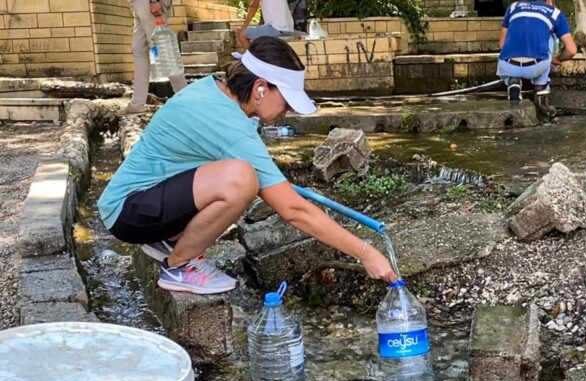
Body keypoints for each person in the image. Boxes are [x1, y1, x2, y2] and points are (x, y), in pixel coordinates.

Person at [98, 37, 398, 294]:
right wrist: (365, 253)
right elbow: (293, 211)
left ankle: (170, 241)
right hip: (130, 212)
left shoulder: (215, 92)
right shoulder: (228, 124)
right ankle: (179, 266)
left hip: (146, 203)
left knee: (245, 176)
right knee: (241, 179)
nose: (289, 110)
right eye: (287, 101)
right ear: (260, 88)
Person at [497, 0, 577, 101]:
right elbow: (572, 50)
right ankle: (541, 85)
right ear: (549, 1)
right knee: (550, 37)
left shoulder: (513, 7)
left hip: (509, 66)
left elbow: (501, 44)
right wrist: (557, 58)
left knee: (505, 52)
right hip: (536, 67)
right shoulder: (555, 13)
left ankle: (512, 81)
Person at [122, 0, 188, 115]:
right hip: (140, 4)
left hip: (149, 3)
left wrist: (154, 1)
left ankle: (187, 99)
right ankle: (137, 103)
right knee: (138, 49)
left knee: (163, 50)